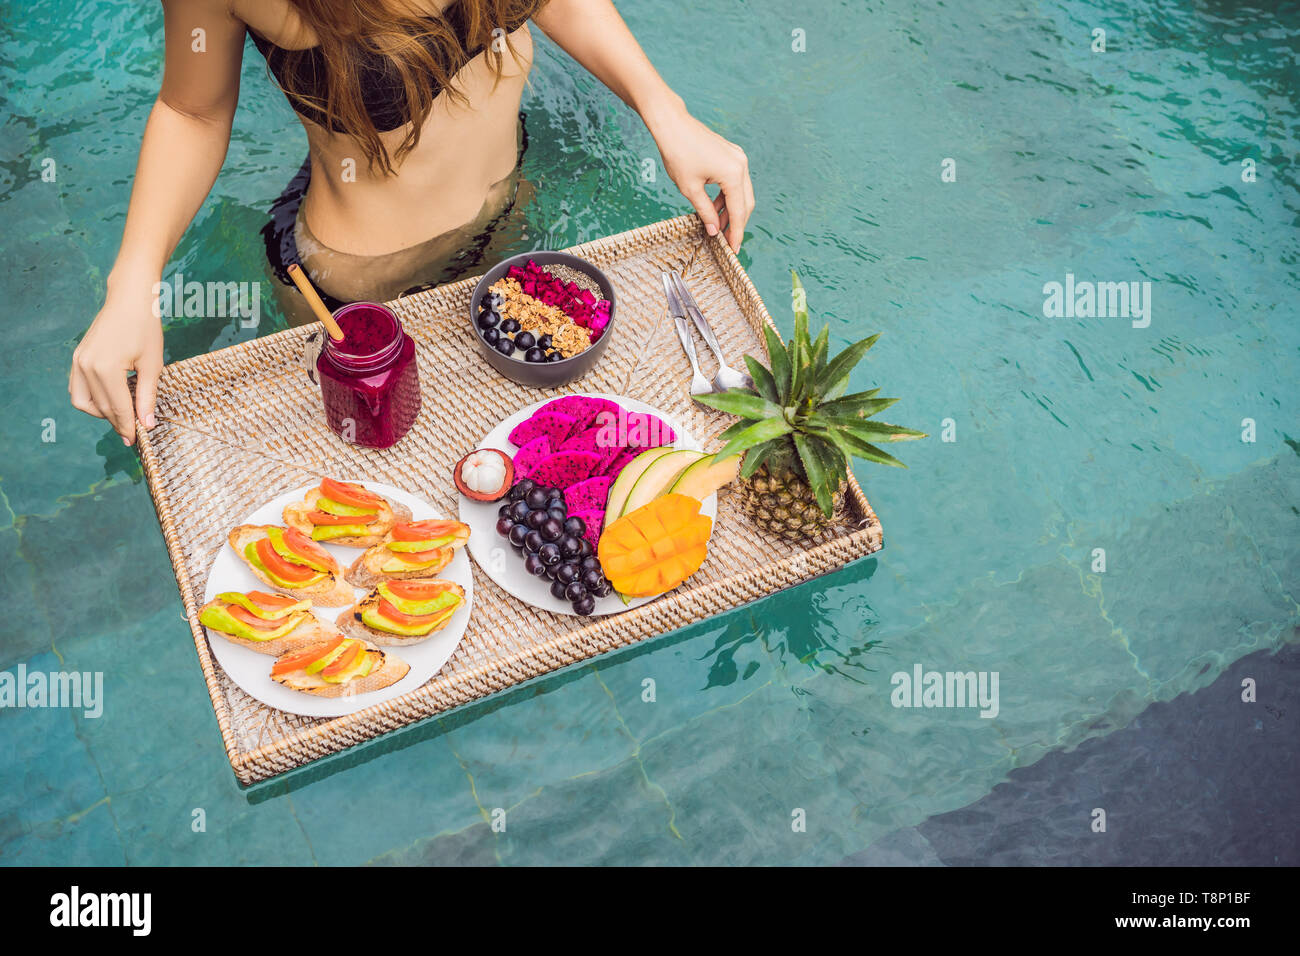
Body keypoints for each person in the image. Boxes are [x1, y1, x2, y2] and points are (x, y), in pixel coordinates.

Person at [70, 0, 754, 445]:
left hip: (511, 208)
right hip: (360, 293)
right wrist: (132, 284)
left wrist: (666, 111)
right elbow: (194, 110)